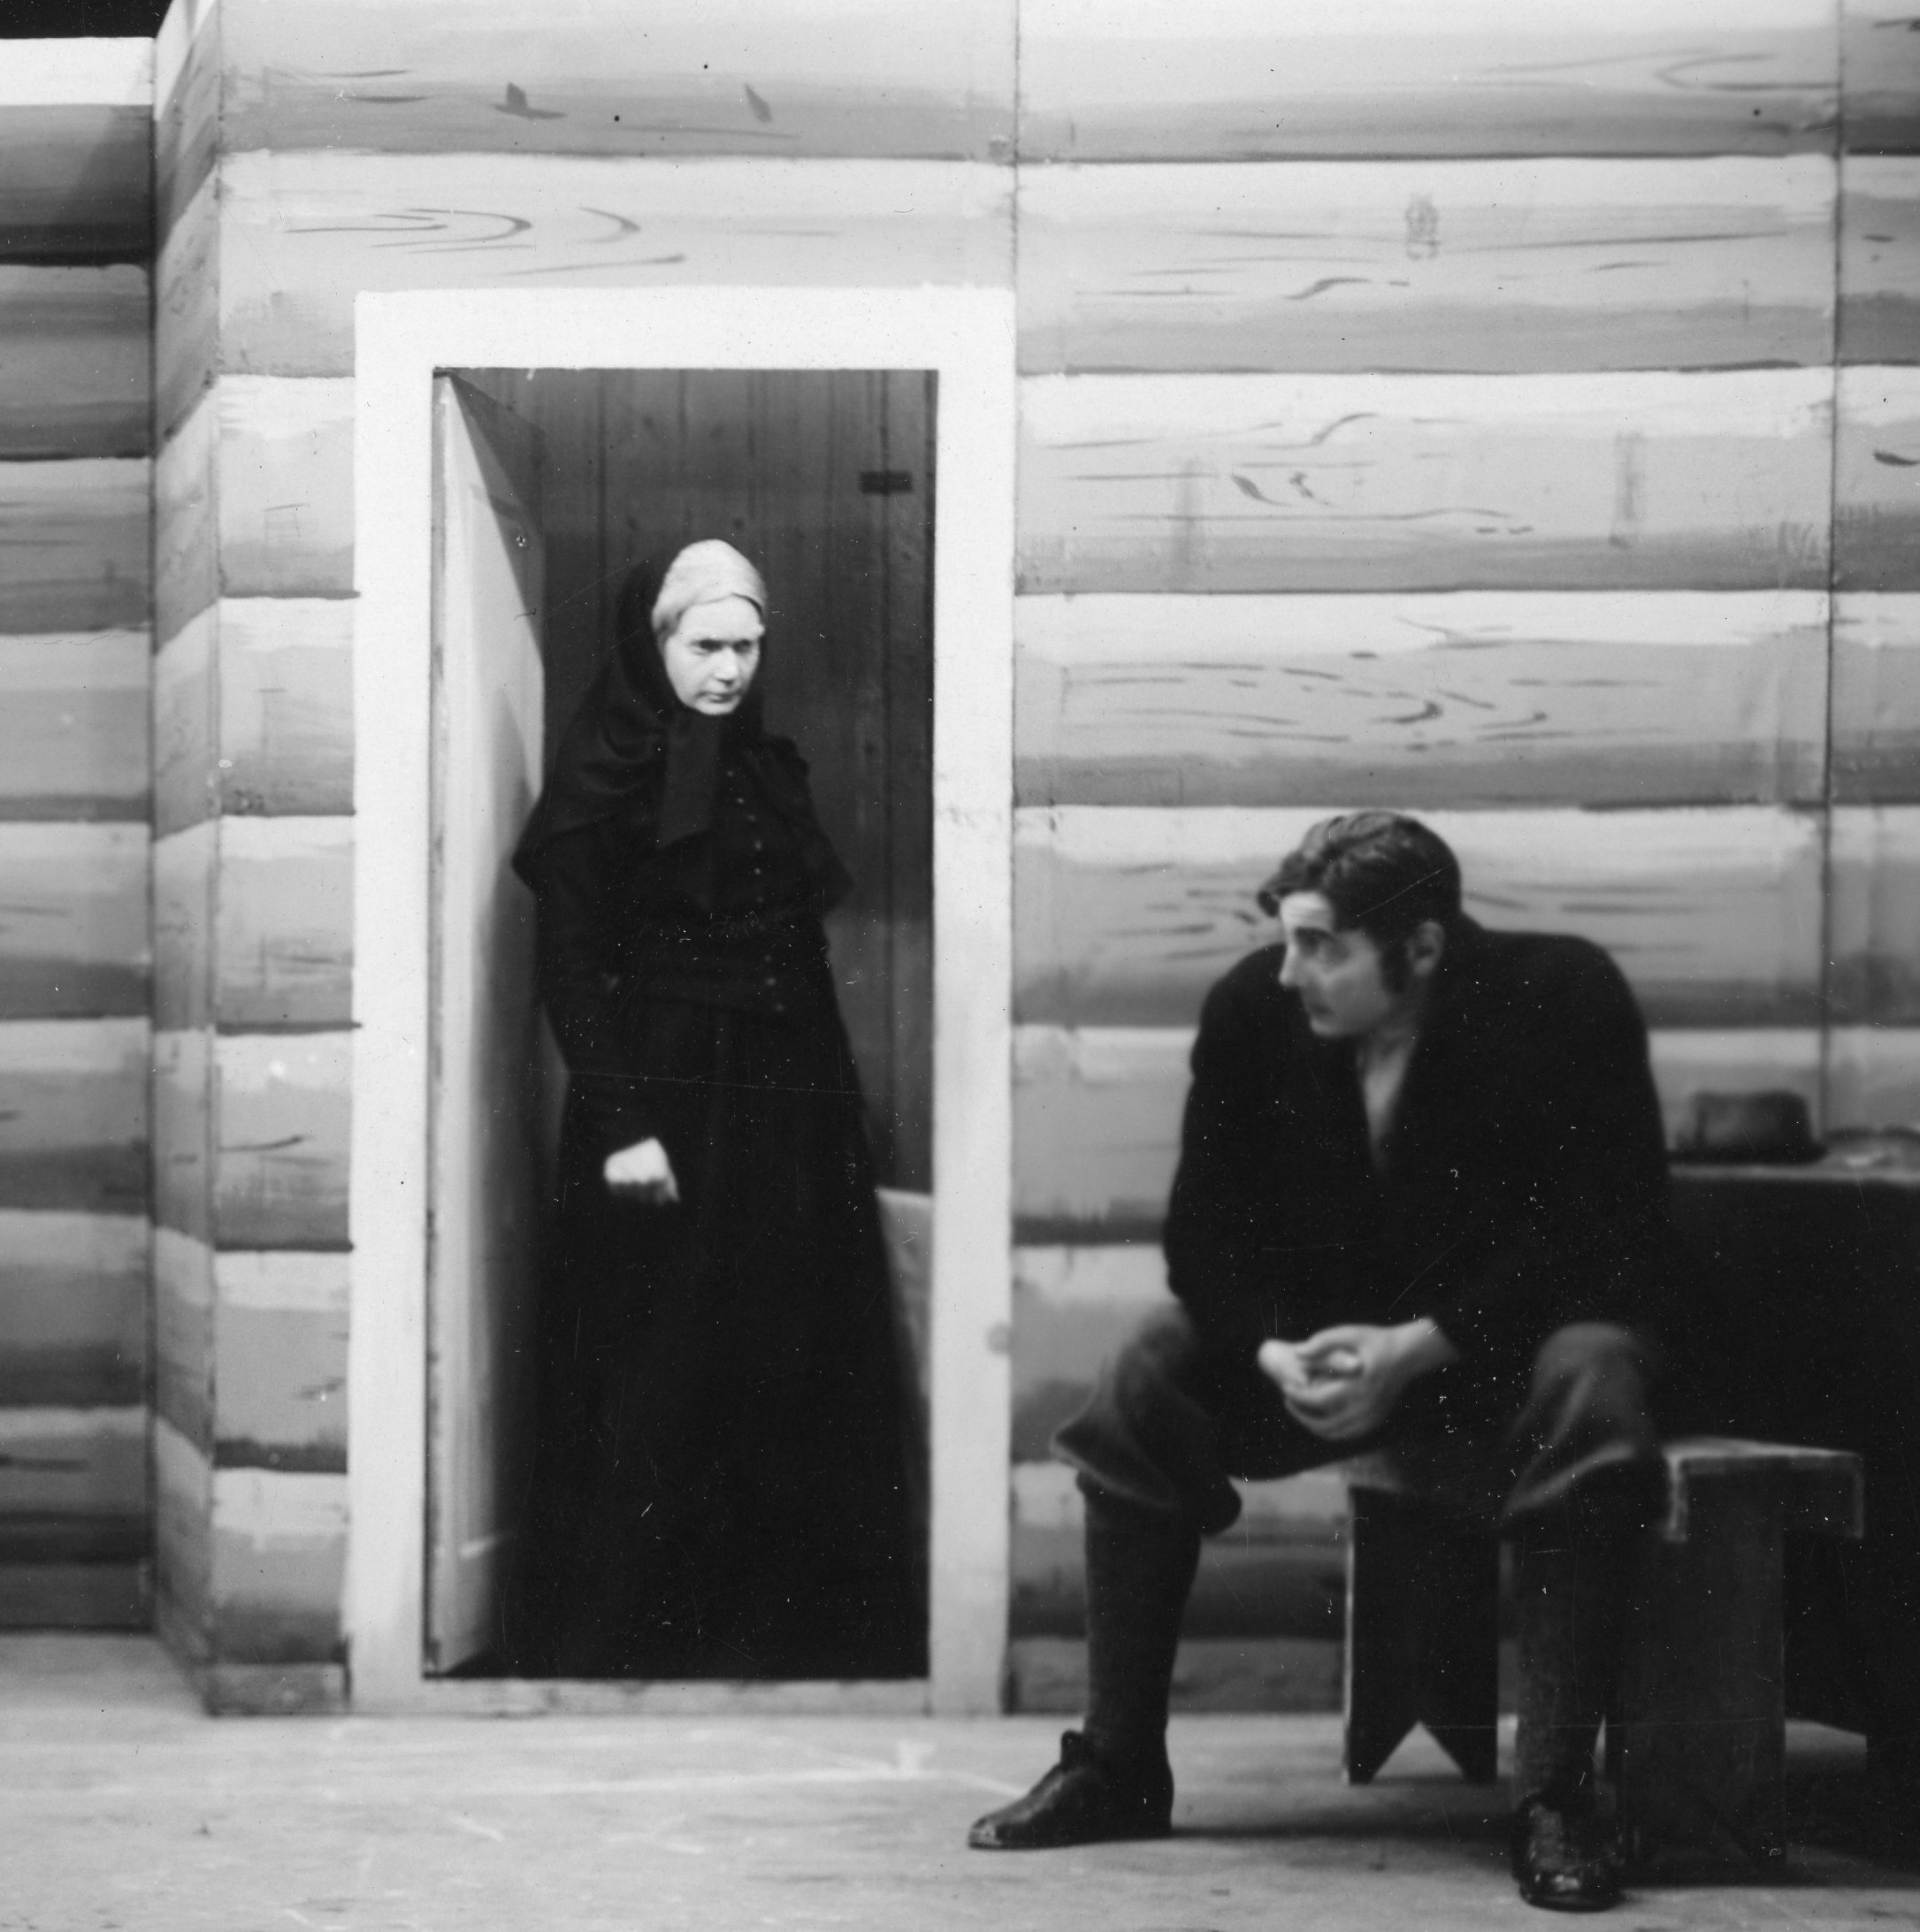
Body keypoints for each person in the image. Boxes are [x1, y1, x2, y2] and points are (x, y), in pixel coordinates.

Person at [967, 811, 1671, 1913]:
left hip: (1492, 1356)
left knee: (1595, 1376)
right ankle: (1115, 1764)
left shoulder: (1559, 998)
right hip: (1323, 1364)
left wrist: (1420, 1344)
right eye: (1287, 938)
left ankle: (1556, 1798)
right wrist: (1270, 1352)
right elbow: (1200, 1237)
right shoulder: (1255, 1008)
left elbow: (1601, 1234)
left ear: (1420, 948)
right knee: (1144, 1374)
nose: (1288, 970)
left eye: (1319, 945)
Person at [508, 538, 921, 1677]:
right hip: (665, 1098)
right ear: (655, 643)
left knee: (789, 1349)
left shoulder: (763, 768)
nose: (728, 669)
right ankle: (637, 1632)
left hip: (788, 1103)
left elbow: (794, 946)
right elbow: (569, 970)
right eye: (704, 646)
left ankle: (787, 1633)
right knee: (662, 1352)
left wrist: (829, 1109)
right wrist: (622, 1123)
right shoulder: (598, 778)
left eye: (747, 646)